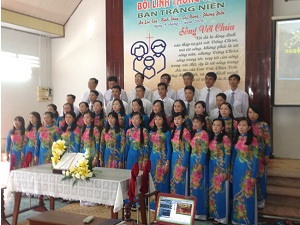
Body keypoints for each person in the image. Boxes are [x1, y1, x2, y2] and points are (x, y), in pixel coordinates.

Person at [231, 117, 259, 225]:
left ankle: (247, 220)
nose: (241, 127)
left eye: (244, 125)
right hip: (237, 169)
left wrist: (254, 175)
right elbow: (234, 157)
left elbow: (256, 158)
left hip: (248, 170)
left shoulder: (253, 140)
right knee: (237, 194)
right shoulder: (237, 139)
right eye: (239, 125)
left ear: (249, 127)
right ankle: (237, 219)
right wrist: (231, 172)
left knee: (247, 194)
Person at [208, 118, 231, 225]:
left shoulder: (225, 138)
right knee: (213, 192)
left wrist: (226, 170)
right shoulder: (212, 137)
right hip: (212, 167)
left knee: (221, 192)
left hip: (221, 168)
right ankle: (214, 214)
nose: (215, 127)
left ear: (222, 128)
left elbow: (227, 155)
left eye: (218, 125)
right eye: (214, 125)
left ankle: (222, 217)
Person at [247, 105, 271, 209]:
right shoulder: (245, 124)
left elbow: (267, 141)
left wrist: (267, 154)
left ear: (258, 113)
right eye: (250, 112)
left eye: (254, 112)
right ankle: (250, 199)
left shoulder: (264, 125)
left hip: (260, 156)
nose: (252, 115)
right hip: (248, 157)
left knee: (260, 177)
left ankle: (261, 199)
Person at [149, 112, 171, 210]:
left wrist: (167, 163)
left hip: (162, 160)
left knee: (162, 182)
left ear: (164, 120)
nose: (157, 121)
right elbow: (150, 147)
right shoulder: (151, 132)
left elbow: (169, 148)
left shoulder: (167, 133)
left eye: (160, 119)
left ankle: (163, 206)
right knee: (153, 182)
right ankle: (152, 205)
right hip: (153, 159)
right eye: (156, 119)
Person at [189, 115, 209, 220]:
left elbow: (205, 150)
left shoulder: (204, 134)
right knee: (194, 187)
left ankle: (201, 212)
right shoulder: (195, 133)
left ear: (202, 124)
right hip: (193, 162)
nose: (195, 124)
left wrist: (201, 164)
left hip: (199, 162)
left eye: (197, 122)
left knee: (200, 187)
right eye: (194, 122)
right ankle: (195, 211)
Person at [170, 112, 191, 195]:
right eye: (175, 119)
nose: (176, 121)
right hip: (173, 158)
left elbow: (187, 149)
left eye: (179, 119)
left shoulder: (186, 132)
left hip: (181, 159)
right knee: (173, 181)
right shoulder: (173, 131)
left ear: (182, 120)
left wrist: (184, 163)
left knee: (181, 181)